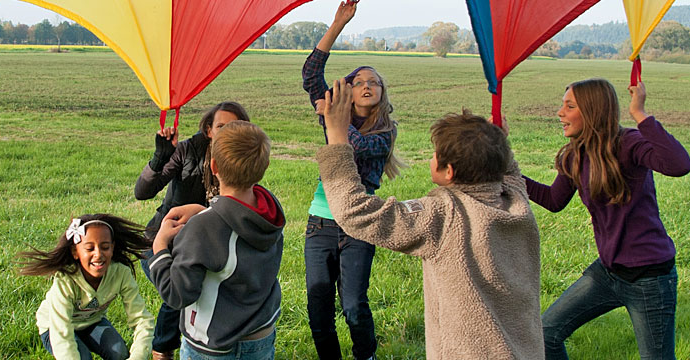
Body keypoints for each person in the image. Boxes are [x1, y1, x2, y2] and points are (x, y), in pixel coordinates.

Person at [315, 81, 544, 359]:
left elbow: (355, 212)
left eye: (436, 155)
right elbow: (509, 172)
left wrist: (338, 136)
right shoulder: (517, 201)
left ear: (448, 172)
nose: (432, 159)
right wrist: (494, 139)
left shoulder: (444, 215)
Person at [522, 79, 690, 359]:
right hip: (608, 272)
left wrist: (640, 114)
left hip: (649, 277)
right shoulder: (577, 154)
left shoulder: (629, 143)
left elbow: (678, 165)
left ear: (592, 111)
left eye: (570, 106)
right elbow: (553, 201)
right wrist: (506, 172)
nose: (559, 112)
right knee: (545, 333)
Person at [301, 2, 404, 358]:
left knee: (354, 306)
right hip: (320, 223)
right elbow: (311, 74)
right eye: (358, 81)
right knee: (318, 310)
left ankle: (366, 355)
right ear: (348, 88)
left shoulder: (386, 131)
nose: (366, 86)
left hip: (360, 223)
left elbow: (354, 148)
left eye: (373, 82)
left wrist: (333, 116)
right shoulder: (335, 114)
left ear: (381, 92)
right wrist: (338, 23)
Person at [148, 121, 285, 360]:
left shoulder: (204, 229)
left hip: (213, 346)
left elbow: (177, 294)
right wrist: (206, 211)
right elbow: (234, 226)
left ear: (213, 166)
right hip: (261, 335)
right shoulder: (269, 211)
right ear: (265, 167)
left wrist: (159, 247)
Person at [134, 102, 250, 360]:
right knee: (180, 292)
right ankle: (162, 351)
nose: (227, 132)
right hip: (163, 241)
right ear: (209, 131)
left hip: (204, 248)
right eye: (221, 126)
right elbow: (142, 192)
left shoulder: (240, 160)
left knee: (197, 295)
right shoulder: (187, 150)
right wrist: (159, 159)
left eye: (234, 127)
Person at [20, 214, 155, 360]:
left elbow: (142, 319)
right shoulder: (65, 280)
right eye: (89, 248)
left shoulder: (121, 273)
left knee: (119, 352)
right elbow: (62, 335)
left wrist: (138, 356)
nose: (98, 254)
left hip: (92, 322)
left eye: (105, 247)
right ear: (75, 252)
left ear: (112, 247)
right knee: (82, 357)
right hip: (54, 327)